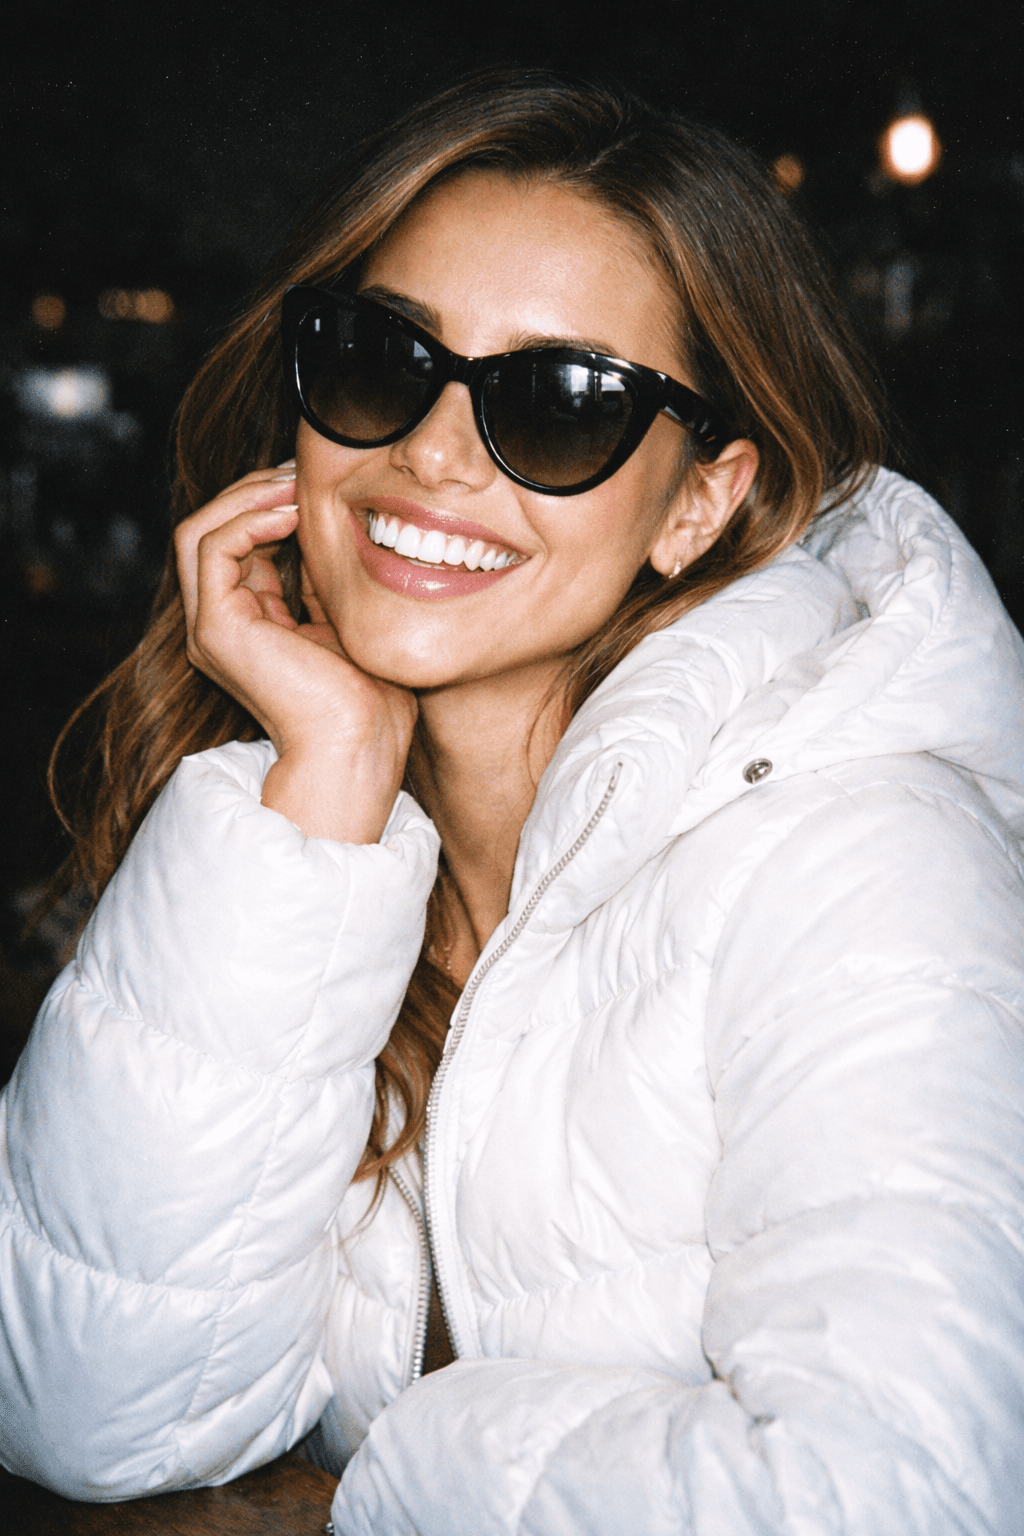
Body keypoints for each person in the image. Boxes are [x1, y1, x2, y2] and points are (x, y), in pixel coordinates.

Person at [2, 69, 1023, 1536]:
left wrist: (371, 1490)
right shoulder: (307, 831)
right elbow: (80, 1410)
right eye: (379, 360)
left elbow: (908, 1501)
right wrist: (322, 793)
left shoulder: (861, 864)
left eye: (559, 404)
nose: (430, 450)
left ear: (698, 503)